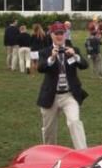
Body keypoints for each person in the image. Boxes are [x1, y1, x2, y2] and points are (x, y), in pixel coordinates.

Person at [38, 21, 89, 149]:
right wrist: (52, 58)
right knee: (49, 130)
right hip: (51, 95)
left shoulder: (73, 50)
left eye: (62, 33)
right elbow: (41, 68)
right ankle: (49, 154)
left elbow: (84, 65)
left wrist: (75, 56)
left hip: (69, 95)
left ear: (65, 35)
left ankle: (83, 153)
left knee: (74, 121)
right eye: (57, 33)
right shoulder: (45, 52)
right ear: (51, 35)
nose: (59, 36)